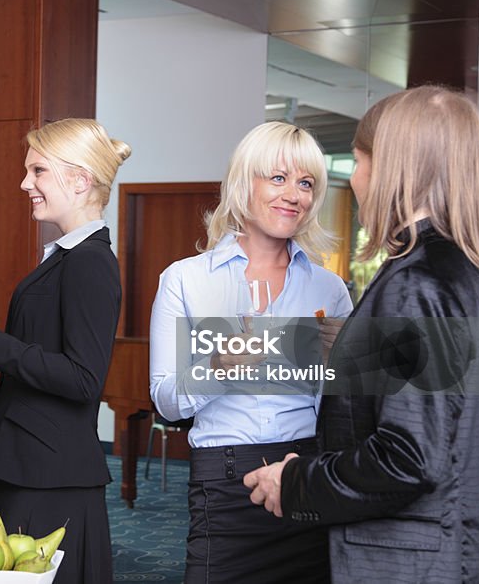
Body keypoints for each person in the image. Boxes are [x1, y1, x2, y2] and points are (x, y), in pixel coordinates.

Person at [244, 85, 479, 582]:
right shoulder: (478, 278)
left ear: (387, 166)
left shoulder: (416, 284)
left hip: (414, 560)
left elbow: (410, 458)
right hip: (466, 547)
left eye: (359, 161)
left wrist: (298, 482)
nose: (359, 179)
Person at [149, 122, 352, 584]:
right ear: (245, 182)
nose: (294, 195)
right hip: (223, 486)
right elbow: (164, 399)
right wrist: (219, 366)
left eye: (306, 183)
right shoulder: (186, 279)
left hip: (306, 476)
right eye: (278, 178)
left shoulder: (329, 287)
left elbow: (348, 404)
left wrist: (345, 365)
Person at [0, 118, 130, 584]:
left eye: (38, 171)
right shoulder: (67, 256)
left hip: (50, 473)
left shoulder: (89, 263)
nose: (26, 184)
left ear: (81, 180)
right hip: (30, 464)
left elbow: (84, 378)